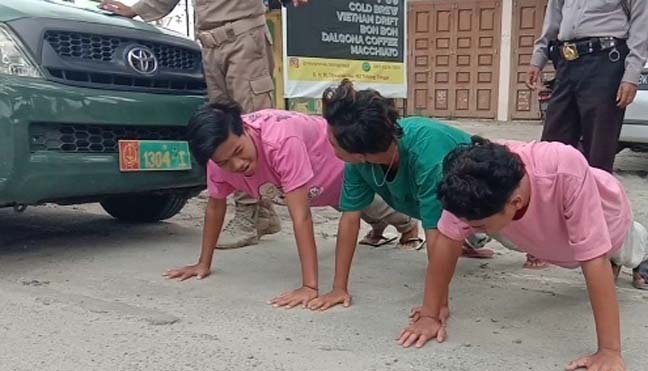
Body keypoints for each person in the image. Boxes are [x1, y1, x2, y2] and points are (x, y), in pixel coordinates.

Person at [399, 138, 648, 371]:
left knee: (619, 249)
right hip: (540, 232)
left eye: (476, 226)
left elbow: (593, 259)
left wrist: (609, 351)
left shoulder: (563, 167)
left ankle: (641, 249)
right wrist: (431, 314)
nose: (469, 229)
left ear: (515, 203)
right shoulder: (473, 180)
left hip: (605, 217)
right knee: (528, 240)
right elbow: (447, 240)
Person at [100, 0, 310, 250]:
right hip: (209, 44)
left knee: (249, 126)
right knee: (221, 130)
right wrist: (137, 10)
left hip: (244, 35)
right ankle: (260, 212)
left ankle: (249, 214)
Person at [165, 103, 419, 308]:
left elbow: (301, 218)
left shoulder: (281, 141)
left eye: (238, 151)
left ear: (245, 128)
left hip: (336, 168)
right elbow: (215, 206)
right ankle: (379, 230)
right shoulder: (218, 161)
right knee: (347, 207)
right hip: (308, 189)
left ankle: (408, 227)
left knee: (374, 203)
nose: (236, 165)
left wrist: (310, 287)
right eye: (224, 161)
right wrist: (203, 263)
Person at [306, 80, 492, 315]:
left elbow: (436, 235)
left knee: (523, 238)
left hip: (492, 200)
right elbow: (350, 219)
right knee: (457, 232)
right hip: (454, 213)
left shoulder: (426, 154)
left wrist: (434, 309)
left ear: (360, 153)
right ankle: (471, 236)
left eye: (332, 143)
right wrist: (338, 289)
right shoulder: (357, 164)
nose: (327, 144)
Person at [527, 0, 648, 173]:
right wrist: (538, 58)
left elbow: (640, 29)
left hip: (605, 63)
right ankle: (553, 197)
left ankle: (596, 197)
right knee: (552, 146)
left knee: (598, 149)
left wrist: (631, 76)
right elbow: (553, 19)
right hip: (566, 63)